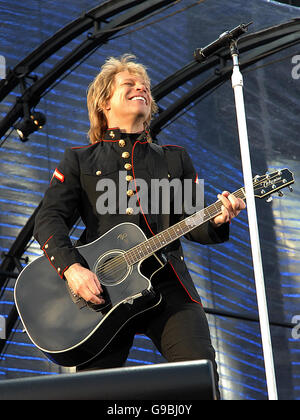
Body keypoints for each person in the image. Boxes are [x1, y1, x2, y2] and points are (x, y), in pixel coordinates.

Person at [33, 54, 246, 399]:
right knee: (93, 392)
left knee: (200, 381)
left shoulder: (175, 158)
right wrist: (72, 268)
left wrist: (218, 218)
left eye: (144, 86)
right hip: (102, 295)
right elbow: (47, 219)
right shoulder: (79, 159)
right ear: (104, 103)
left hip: (168, 286)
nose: (141, 89)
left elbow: (192, 222)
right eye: (129, 85)